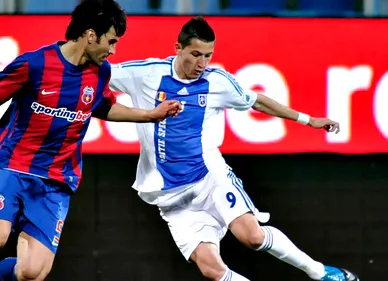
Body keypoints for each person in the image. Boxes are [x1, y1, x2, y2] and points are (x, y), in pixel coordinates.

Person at [0, 1, 181, 281]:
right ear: (91, 35)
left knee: (32, 272)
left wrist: (150, 115)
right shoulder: (34, 64)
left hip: (55, 178)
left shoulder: (101, 73)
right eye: (111, 41)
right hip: (12, 165)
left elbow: (103, 107)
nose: (112, 50)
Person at [109, 16, 359, 281]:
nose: (201, 63)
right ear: (177, 48)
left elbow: (258, 101)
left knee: (252, 236)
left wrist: (309, 120)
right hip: (170, 195)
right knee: (212, 270)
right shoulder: (145, 74)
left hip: (210, 178)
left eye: (208, 55)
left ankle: (320, 272)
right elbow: (97, 72)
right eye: (195, 54)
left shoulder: (218, 82)